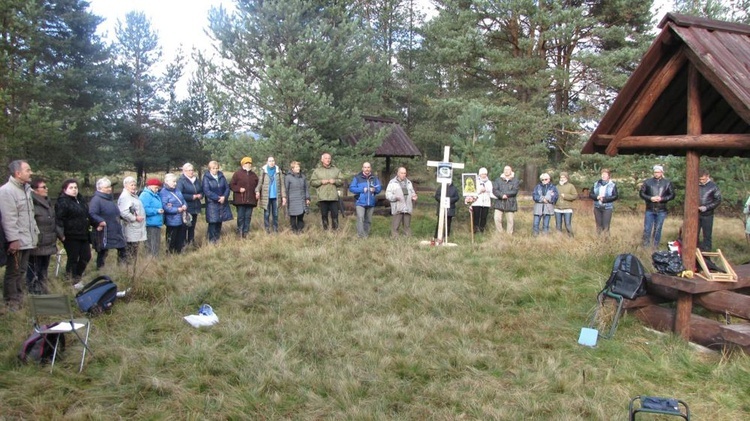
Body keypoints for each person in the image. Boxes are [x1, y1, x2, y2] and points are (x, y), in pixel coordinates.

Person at [0, 160, 39, 310]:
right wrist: (13, 239)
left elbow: (29, 216)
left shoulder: (26, 189)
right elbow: (9, 218)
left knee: (21, 271)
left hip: (27, 238)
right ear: (18, 173)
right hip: (16, 240)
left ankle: (19, 298)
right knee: (13, 272)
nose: (31, 173)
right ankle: (11, 302)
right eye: (28, 170)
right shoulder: (7, 191)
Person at [27, 177, 63, 295]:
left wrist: (60, 235)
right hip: (37, 243)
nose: (47, 189)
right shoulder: (31, 203)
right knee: (34, 270)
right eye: (43, 187)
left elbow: (54, 221)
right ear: (34, 190)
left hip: (48, 242)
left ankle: (43, 290)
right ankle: (33, 294)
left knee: (44, 269)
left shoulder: (47, 202)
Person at [55, 178, 91, 283]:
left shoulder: (81, 200)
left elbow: (86, 215)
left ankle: (77, 276)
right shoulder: (62, 202)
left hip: (83, 233)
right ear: (65, 189)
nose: (74, 190)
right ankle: (70, 279)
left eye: (75, 187)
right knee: (73, 258)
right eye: (71, 188)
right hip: (70, 235)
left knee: (86, 256)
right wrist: (61, 235)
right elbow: (59, 219)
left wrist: (95, 223)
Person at [89, 177, 127, 269]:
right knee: (102, 251)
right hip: (104, 230)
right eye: (106, 187)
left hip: (115, 229)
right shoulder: (96, 199)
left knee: (122, 248)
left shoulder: (109, 199)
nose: (109, 189)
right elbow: (92, 213)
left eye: (109, 187)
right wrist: (100, 221)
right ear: (100, 188)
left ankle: (121, 268)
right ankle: (100, 270)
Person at [639, 165, 675, 248]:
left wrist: (662, 199)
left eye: (658, 172)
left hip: (661, 209)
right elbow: (641, 193)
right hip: (650, 209)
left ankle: (655, 246)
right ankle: (645, 246)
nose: (656, 174)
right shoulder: (647, 182)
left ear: (662, 173)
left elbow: (672, 195)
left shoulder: (667, 182)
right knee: (647, 229)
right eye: (655, 172)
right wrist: (650, 198)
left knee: (658, 229)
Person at [310, 152, 343, 231]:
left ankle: (335, 231)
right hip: (323, 197)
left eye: (329, 158)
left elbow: (341, 181)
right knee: (324, 215)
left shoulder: (336, 170)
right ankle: (325, 231)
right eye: (326, 158)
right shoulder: (317, 171)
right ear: (322, 160)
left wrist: (334, 181)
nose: (328, 160)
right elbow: (312, 182)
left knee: (335, 215)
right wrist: (321, 182)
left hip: (333, 197)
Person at [349, 162, 382, 238]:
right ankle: (361, 235)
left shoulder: (374, 178)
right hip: (360, 202)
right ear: (362, 168)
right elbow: (352, 188)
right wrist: (361, 189)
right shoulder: (357, 177)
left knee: (368, 220)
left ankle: (366, 234)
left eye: (368, 167)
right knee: (360, 218)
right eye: (365, 167)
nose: (367, 169)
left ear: (370, 168)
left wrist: (375, 189)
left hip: (371, 202)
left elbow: (379, 187)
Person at [118, 176, 146, 263]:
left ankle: (132, 267)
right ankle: (125, 268)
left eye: (134, 185)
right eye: (131, 185)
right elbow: (124, 213)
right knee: (129, 249)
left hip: (136, 227)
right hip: (130, 227)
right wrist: (135, 218)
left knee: (134, 249)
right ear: (126, 186)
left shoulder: (133, 196)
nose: (134, 187)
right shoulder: (125, 197)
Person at [203, 161, 232, 243]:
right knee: (213, 222)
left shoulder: (221, 176)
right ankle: (211, 241)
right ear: (209, 169)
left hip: (222, 202)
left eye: (216, 168)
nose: (215, 170)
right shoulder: (206, 178)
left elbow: (227, 188)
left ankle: (217, 239)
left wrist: (224, 197)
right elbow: (207, 191)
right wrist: (217, 198)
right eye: (213, 168)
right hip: (212, 203)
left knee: (219, 221)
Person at [230, 157, 259, 238]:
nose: (248, 165)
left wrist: (257, 192)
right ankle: (239, 233)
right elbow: (231, 185)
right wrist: (239, 189)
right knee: (240, 217)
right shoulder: (237, 174)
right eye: (246, 163)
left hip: (251, 200)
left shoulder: (254, 175)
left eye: (250, 163)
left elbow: (258, 186)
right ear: (243, 164)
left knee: (248, 217)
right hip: (240, 200)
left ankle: (246, 233)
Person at [255, 156, 286, 233]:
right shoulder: (264, 171)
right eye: (270, 161)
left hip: (276, 196)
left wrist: (284, 196)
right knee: (267, 214)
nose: (271, 162)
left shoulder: (278, 171)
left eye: (273, 161)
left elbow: (282, 184)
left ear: (275, 162)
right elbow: (260, 182)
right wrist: (257, 191)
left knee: (275, 214)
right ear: (267, 162)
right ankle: (267, 229)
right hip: (266, 196)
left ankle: (275, 229)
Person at [386, 167, 418, 237]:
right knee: (395, 226)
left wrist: (413, 196)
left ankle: (407, 239)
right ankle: (395, 239)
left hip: (407, 207)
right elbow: (388, 194)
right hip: (397, 207)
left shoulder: (409, 182)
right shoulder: (392, 182)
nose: (403, 175)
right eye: (401, 173)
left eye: (404, 173)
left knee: (407, 226)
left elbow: (412, 192)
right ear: (398, 173)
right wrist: (394, 198)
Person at [160, 173, 188, 253]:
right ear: (166, 181)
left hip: (181, 218)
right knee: (171, 238)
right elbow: (164, 206)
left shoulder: (177, 190)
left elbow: (183, 200)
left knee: (180, 238)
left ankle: (178, 252)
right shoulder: (163, 192)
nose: (175, 183)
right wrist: (176, 210)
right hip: (171, 220)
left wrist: (185, 206)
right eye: (173, 181)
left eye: (175, 181)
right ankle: (170, 253)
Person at [177, 163, 203, 247]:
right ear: (184, 171)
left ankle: (191, 243)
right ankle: (183, 244)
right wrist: (192, 197)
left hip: (195, 207)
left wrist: (200, 195)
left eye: (192, 170)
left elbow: (202, 191)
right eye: (189, 170)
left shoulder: (197, 180)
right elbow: (179, 194)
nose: (191, 172)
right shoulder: (181, 181)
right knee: (185, 227)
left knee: (192, 227)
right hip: (186, 207)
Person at [698, 169, 722, 251]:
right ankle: (694, 252)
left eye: (703, 179)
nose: (701, 181)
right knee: (693, 235)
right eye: (700, 179)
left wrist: (706, 207)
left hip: (707, 215)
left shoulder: (713, 186)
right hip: (695, 214)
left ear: (708, 176)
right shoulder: (695, 185)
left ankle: (707, 254)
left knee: (707, 236)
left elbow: (718, 200)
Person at [589, 168, 618, 235]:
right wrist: (597, 197)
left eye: (605, 174)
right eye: (602, 174)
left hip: (607, 208)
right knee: (598, 226)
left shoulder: (612, 185)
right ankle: (598, 241)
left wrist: (605, 199)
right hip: (597, 207)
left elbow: (615, 196)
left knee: (606, 227)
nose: (603, 176)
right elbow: (591, 194)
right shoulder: (596, 184)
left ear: (608, 176)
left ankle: (606, 242)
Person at [140, 178, 164, 256]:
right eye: (155, 187)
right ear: (150, 186)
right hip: (150, 223)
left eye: (158, 188)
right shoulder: (145, 195)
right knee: (151, 244)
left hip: (156, 223)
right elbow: (144, 209)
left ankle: (155, 260)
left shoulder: (155, 195)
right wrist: (156, 211)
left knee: (156, 244)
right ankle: (150, 260)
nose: (157, 189)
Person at [285, 161, 311, 234]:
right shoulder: (288, 177)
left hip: (302, 200)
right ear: (292, 168)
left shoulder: (303, 177)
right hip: (292, 201)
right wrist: (285, 199)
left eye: (298, 167)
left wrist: (307, 198)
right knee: (293, 217)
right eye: (296, 167)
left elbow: (306, 188)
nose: (298, 168)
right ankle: (294, 231)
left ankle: (300, 230)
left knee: (301, 216)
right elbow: (286, 189)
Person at [493, 165, 520, 234]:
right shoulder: (498, 180)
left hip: (510, 203)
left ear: (511, 171)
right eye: (505, 169)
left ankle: (509, 235)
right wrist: (501, 195)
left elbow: (515, 191)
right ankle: (500, 233)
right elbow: (495, 190)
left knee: (510, 221)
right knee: (497, 218)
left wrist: (506, 195)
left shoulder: (515, 180)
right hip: (499, 202)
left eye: (508, 169)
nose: (506, 171)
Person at [468, 168, 493, 233]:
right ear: (479, 174)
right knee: (476, 216)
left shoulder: (489, 182)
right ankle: (475, 229)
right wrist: (480, 191)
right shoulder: (476, 181)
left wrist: (486, 189)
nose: (484, 175)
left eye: (485, 174)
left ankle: (482, 229)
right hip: (477, 202)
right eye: (482, 174)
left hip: (486, 202)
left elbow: (491, 191)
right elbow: (472, 192)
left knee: (484, 217)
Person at [554, 172, 578, 236]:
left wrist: (565, 196)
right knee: (558, 225)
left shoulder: (571, 186)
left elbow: (575, 196)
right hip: (557, 208)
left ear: (567, 178)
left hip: (567, 208)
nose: (562, 178)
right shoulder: (556, 186)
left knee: (567, 224)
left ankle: (571, 237)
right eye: (561, 177)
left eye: (564, 177)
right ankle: (559, 238)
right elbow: (554, 197)